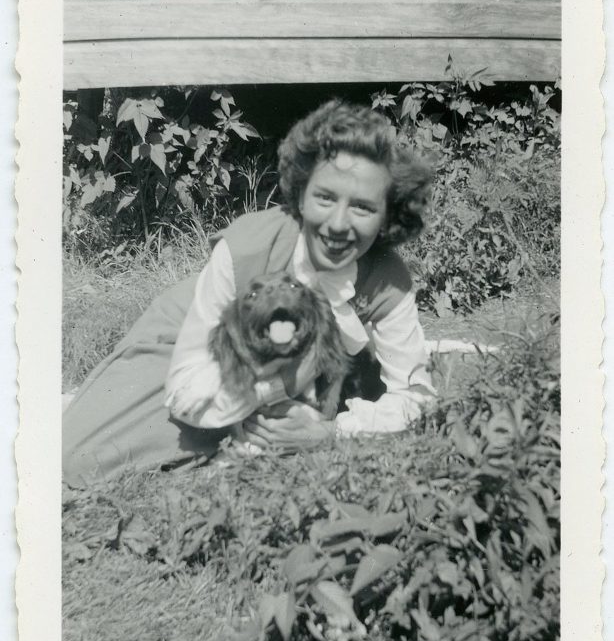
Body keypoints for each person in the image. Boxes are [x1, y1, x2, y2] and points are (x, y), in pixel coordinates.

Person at [63, 99, 435, 484]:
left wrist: (329, 433)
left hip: (297, 356)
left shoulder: (389, 280)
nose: (338, 225)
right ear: (302, 194)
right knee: (81, 457)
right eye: (325, 198)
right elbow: (187, 389)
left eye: (362, 208)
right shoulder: (247, 247)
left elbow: (418, 399)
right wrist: (277, 386)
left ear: (387, 215)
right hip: (199, 342)